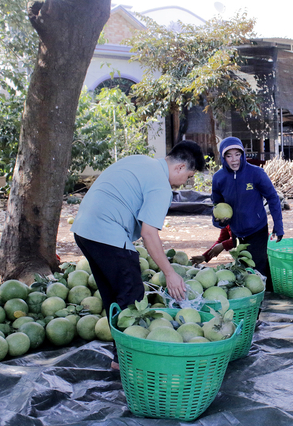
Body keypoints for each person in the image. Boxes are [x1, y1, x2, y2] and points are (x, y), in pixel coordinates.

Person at [72, 141, 205, 369]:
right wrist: (170, 273)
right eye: (189, 176)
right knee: (132, 296)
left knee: (113, 297)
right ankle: (131, 361)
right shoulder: (161, 187)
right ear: (180, 168)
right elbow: (148, 234)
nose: (186, 183)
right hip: (106, 231)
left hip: (84, 230)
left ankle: (119, 360)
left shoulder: (141, 161)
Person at [211, 137, 284, 291]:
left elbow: (272, 197)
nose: (234, 159)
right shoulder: (219, 178)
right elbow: (217, 206)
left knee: (259, 269)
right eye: (229, 155)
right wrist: (220, 222)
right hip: (237, 232)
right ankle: (253, 304)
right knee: (243, 270)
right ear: (223, 158)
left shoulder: (256, 173)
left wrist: (278, 225)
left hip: (257, 229)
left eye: (237, 154)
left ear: (243, 154)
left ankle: (265, 302)